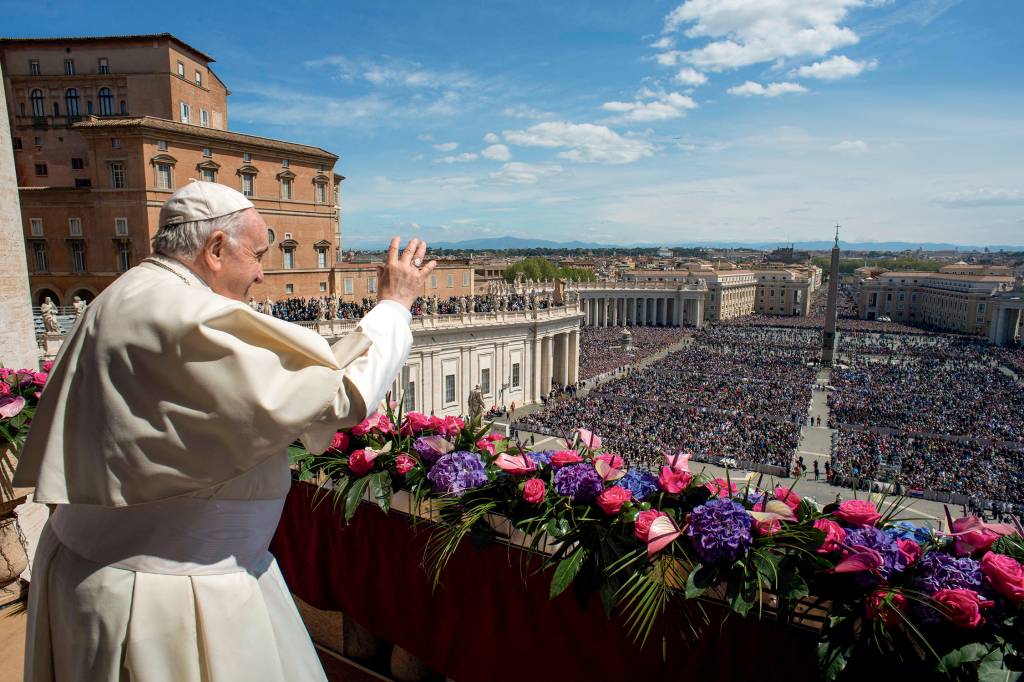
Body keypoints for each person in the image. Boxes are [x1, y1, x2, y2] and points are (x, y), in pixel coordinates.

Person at [13, 181, 437, 682]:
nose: (261, 273)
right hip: (167, 598)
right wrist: (393, 307)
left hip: (95, 572)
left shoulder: (124, 295)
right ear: (215, 249)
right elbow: (339, 394)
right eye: (257, 255)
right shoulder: (187, 315)